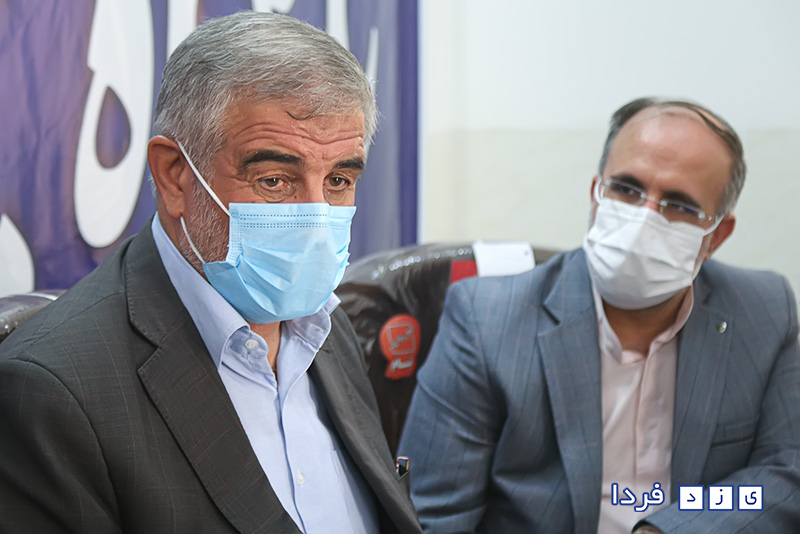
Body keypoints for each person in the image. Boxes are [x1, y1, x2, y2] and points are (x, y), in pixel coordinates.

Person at [0, 11, 421, 534]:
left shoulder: (327, 328)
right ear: (175, 176)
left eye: (338, 180)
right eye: (274, 180)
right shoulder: (52, 392)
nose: (317, 223)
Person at [398, 97, 800, 533]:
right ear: (596, 194)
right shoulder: (486, 321)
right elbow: (433, 518)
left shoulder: (764, 312)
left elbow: (781, 477)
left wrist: (665, 528)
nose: (644, 219)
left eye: (679, 205)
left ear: (716, 235)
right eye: (626, 189)